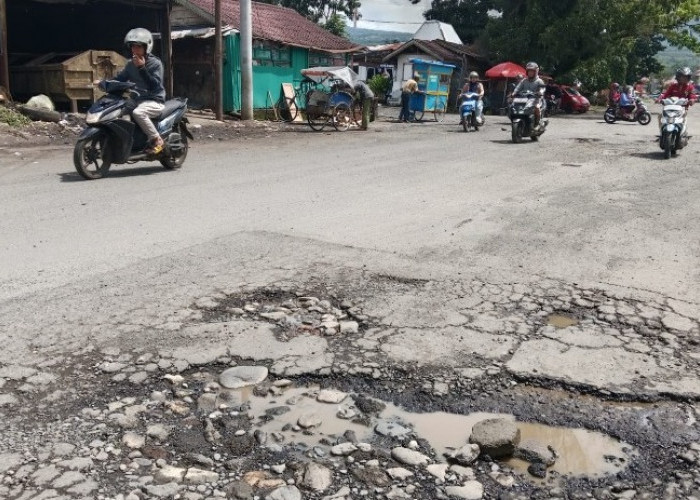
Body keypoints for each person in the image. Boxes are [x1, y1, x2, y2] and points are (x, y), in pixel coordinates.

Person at [104, 28, 166, 154]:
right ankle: (129, 143)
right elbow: (120, 79)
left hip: (154, 100)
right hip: (137, 99)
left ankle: (157, 139)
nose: (134, 50)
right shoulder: (130, 64)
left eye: (138, 47)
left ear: (146, 47)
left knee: (138, 113)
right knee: (117, 112)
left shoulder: (155, 64)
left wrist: (142, 68)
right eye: (133, 47)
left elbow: (154, 84)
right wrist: (104, 82)